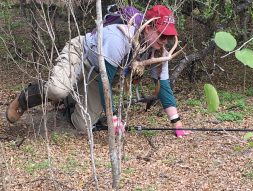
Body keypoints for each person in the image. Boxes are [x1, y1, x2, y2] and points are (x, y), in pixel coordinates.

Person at [6, 5, 192, 138]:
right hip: (82, 54)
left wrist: (177, 123)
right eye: (162, 33)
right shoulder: (120, 38)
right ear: (149, 26)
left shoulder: (158, 51)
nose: (165, 39)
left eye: (169, 35)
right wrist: (112, 118)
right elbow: (107, 82)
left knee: (83, 126)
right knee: (57, 90)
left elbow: (164, 87)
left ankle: (70, 99)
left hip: (97, 73)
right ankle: (26, 97)